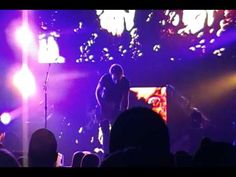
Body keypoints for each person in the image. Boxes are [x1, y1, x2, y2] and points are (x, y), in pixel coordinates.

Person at [95, 64, 130, 157]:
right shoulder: (105, 78)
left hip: (116, 109)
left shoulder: (125, 82)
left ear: (122, 75)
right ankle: (106, 154)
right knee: (105, 132)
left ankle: (114, 153)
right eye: (115, 77)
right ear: (111, 74)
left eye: (119, 77)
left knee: (116, 131)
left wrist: (125, 112)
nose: (117, 80)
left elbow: (126, 99)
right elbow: (97, 92)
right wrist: (102, 105)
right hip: (104, 108)